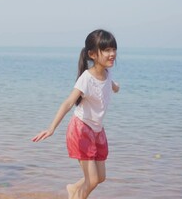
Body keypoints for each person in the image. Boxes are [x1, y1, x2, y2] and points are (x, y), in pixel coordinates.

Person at [32, 29, 120, 199]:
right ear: (92, 54)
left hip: (97, 130)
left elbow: (109, 84)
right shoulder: (86, 78)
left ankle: (73, 189)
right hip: (81, 129)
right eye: (107, 50)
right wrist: (51, 129)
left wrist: (115, 87)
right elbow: (68, 102)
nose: (112, 54)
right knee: (92, 180)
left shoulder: (107, 74)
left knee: (100, 177)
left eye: (113, 49)